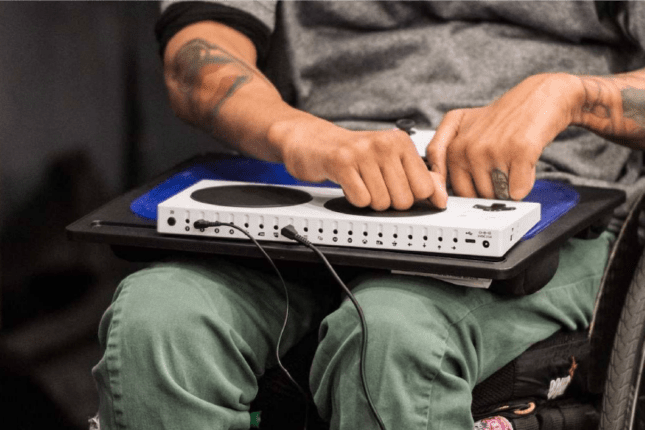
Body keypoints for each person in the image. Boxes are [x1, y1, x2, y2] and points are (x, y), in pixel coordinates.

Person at [91, 1, 645, 429]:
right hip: (318, 184)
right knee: (158, 321)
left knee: (395, 335)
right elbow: (198, 54)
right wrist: (301, 134)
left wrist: (573, 96)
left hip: (547, 202)